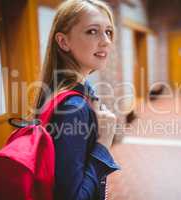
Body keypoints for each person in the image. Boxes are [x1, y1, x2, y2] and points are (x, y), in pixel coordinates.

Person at [32, 0, 121, 199]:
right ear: (64, 42)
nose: (106, 40)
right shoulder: (73, 107)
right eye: (92, 31)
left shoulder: (71, 90)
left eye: (108, 32)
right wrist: (104, 143)